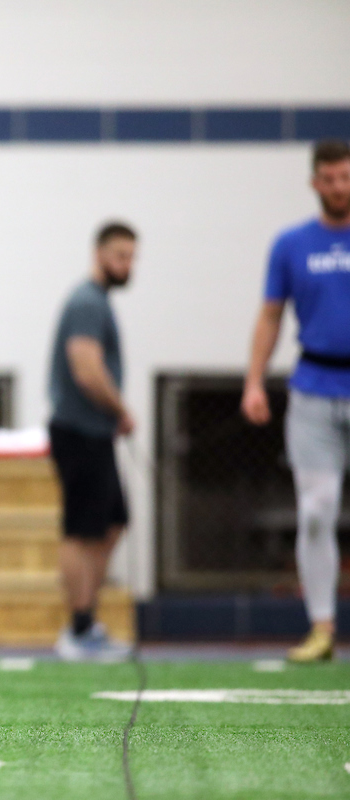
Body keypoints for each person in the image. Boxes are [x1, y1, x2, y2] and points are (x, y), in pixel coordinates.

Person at [241, 138, 350, 663]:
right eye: (328, 178)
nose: (338, 187)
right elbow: (270, 316)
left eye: (346, 177)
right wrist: (254, 381)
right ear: (314, 182)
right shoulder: (291, 245)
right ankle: (323, 627)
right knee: (316, 511)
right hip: (313, 389)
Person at [47, 222, 138, 662]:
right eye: (120, 255)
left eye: (131, 256)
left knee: (113, 520)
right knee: (81, 528)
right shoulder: (87, 302)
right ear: (100, 253)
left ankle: (88, 619)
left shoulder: (98, 302)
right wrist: (120, 409)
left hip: (95, 431)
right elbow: (86, 368)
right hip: (80, 430)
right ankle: (78, 628)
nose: (128, 264)